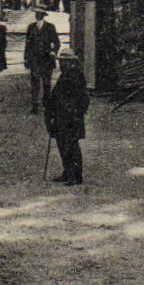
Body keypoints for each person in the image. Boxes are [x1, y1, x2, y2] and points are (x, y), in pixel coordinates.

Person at [44, 50, 89, 185]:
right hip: (62, 117)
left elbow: (82, 98)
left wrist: (73, 112)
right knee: (63, 145)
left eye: (63, 61)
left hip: (69, 118)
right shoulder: (66, 74)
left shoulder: (75, 75)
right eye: (60, 61)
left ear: (71, 62)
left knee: (71, 146)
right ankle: (68, 172)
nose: (61, 63)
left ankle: (75, 175)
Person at [23, 9, 60, 114]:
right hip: (34, 59)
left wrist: (53, 52)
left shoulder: (50, 27)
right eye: (36, 14)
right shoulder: (31, 27)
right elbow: (28, 44)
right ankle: (35, 106)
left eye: (39, 14)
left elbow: (56, 42)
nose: (37, 15)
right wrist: (26, 58)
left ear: (43, 15)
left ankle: (47, 105)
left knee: (46, 83)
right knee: (35, 83)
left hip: (47, 59)